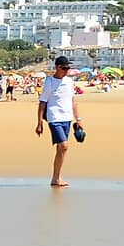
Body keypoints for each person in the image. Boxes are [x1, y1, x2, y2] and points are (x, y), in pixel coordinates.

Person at [35, 55, 82, 188]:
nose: (66, 70)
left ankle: (56, 177)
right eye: (64, 68)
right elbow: (42, 103)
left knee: (61, 149)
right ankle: (56, 177)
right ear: (57, 67)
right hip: (54, 118)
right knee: (64, 145)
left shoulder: (69, 82)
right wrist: (39, 123)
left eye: (68, 68)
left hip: (67, 118)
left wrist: (78, 119)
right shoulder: (49, 82)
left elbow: (73, 101)